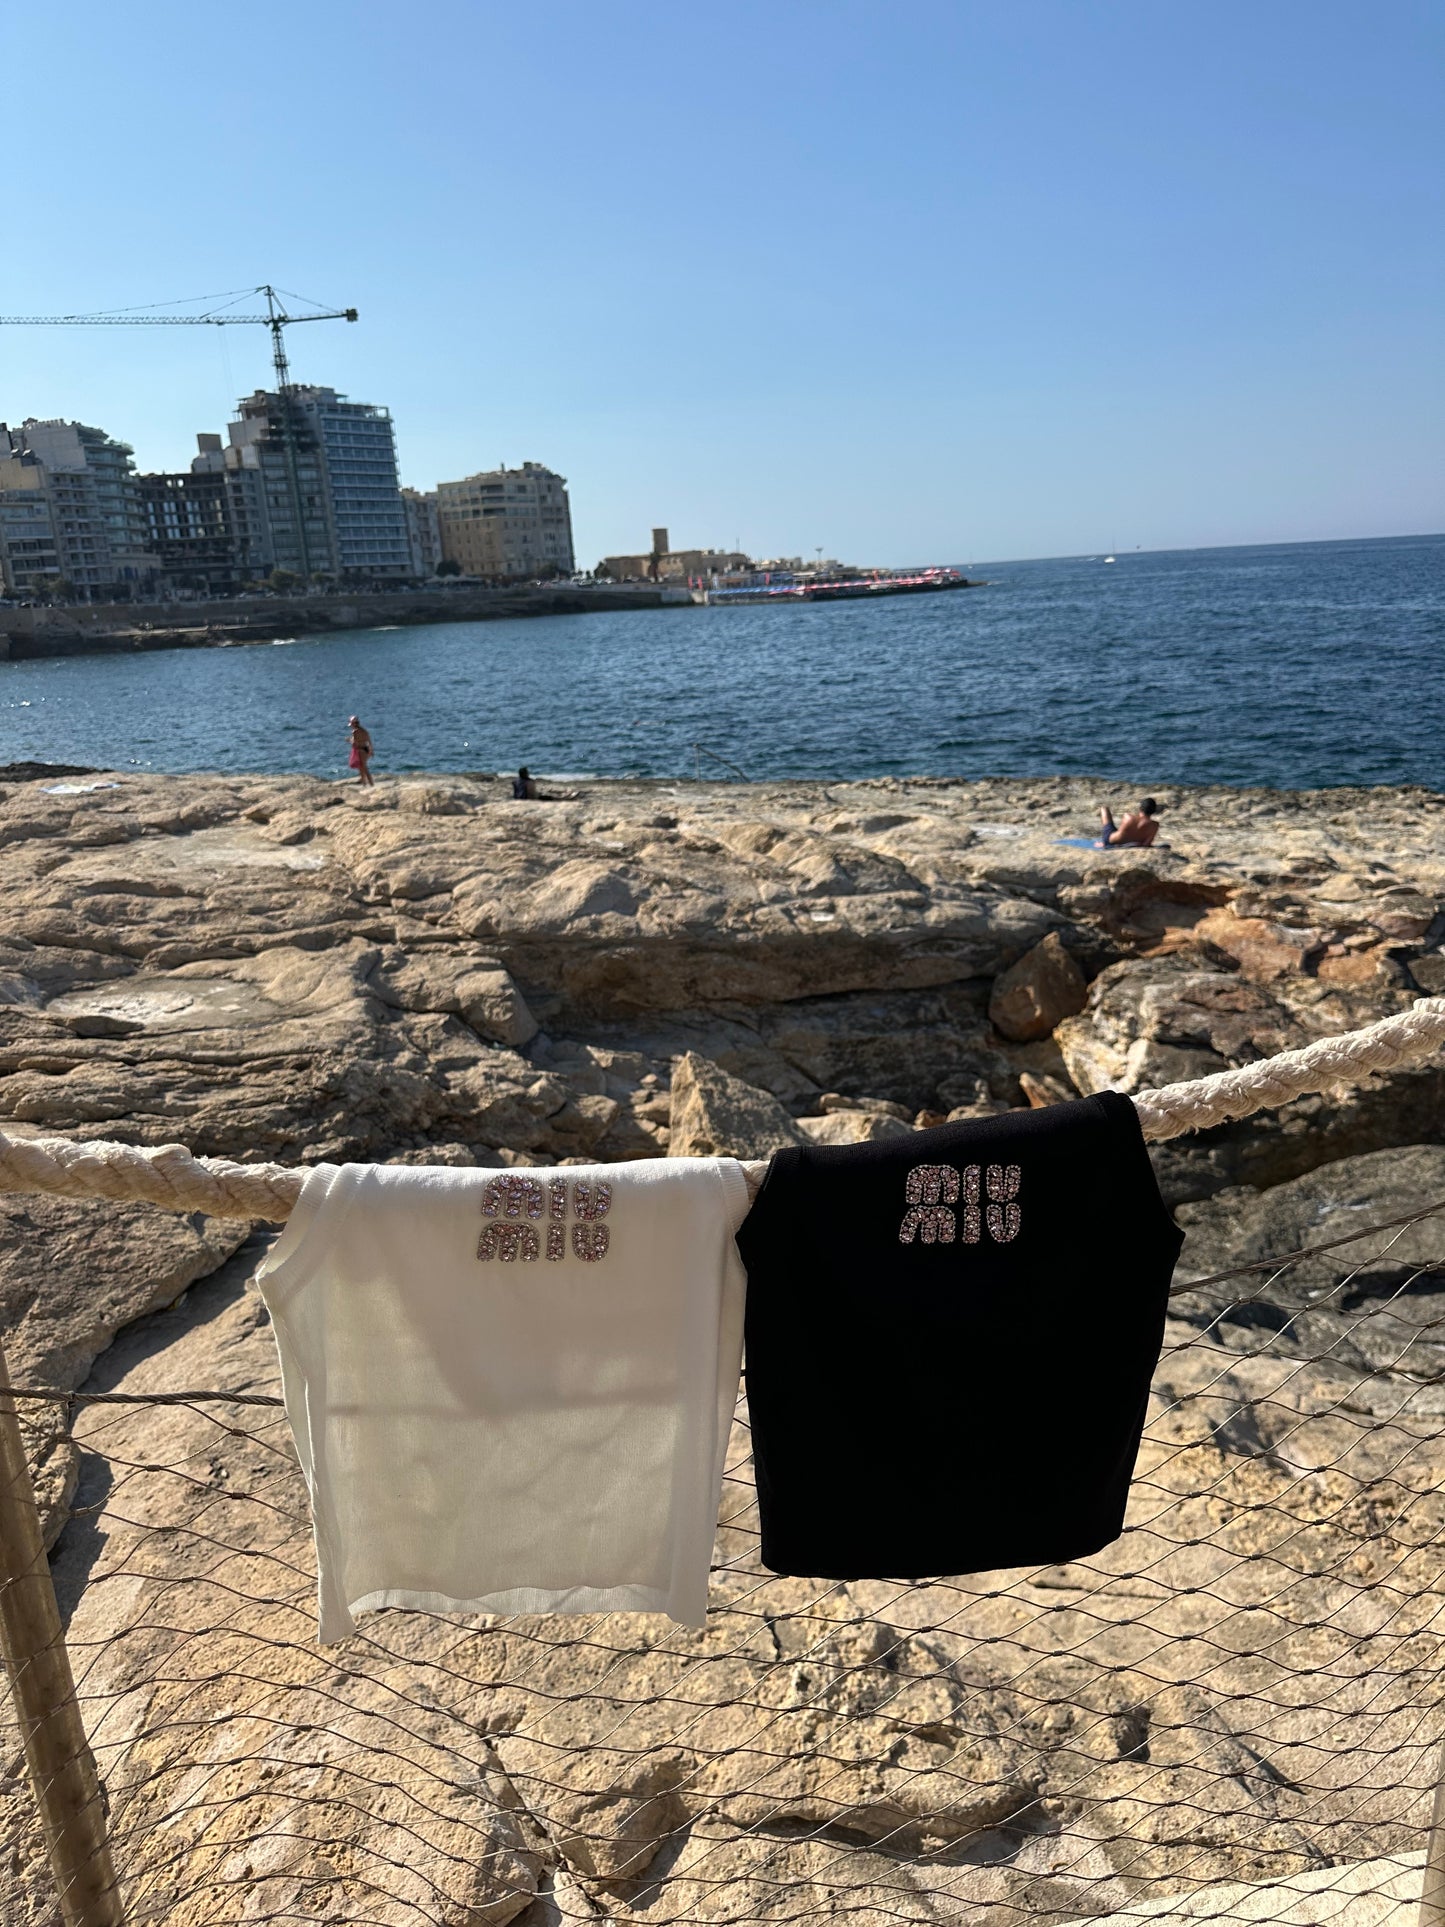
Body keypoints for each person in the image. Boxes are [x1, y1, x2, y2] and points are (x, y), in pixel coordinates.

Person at [1097, 798, 1161, 848]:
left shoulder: (1128, 817)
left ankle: (1102, 806)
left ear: (1140, 808)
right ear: (1153, 811)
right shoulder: (1155, 825)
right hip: (1127, 844)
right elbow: (1146, 844)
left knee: (1104, 809)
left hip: (1110, 841)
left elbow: (1121, 832)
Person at [348, 716, 375, 788]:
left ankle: (371, 784)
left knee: (363, 768)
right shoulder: (364, 730)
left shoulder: (355, 732)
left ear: (353, 724)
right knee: (362, 768)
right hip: (366, 749)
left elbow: (355, 743)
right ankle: (365, 785)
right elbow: (369, 741)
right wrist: (371, 750)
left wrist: (349, 740)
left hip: (359, 750)